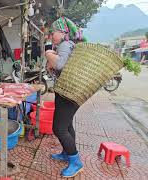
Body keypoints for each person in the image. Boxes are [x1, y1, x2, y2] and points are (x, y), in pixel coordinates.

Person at [45, 17, 86, 178]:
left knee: (59, 128)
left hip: (68, 93)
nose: (51, 35)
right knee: (67, 125)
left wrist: (48, 52)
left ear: (62, 32)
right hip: (68, 92)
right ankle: (66, 153)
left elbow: (60, 64)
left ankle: (76, 162)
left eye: (53, 32)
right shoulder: (68, 45)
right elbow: (58, 68)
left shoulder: (65, 44)